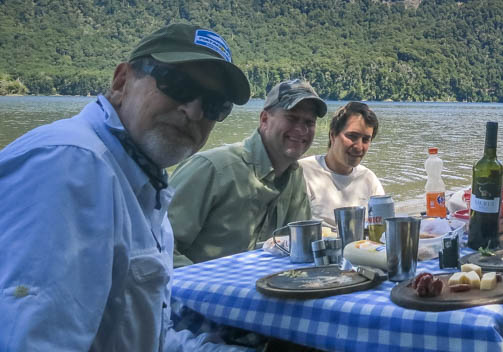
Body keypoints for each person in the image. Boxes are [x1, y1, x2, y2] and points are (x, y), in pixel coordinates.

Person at [0, 24, 253, 351]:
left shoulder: (141, 179)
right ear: (121, 82)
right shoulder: (71, 167)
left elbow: (145, 336)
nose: (193, 110)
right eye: (176, 84)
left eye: (215, 104)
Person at [168, 78, 327, 267]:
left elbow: (297, 248)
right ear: (264, 119)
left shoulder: (295, 175)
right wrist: (208, 288)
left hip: (265, 289)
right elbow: (159, 247)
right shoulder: (212, 169)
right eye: (291, 118)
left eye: (309, 122)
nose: (301, 129)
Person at [299, 101, 384, 229]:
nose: (359, 147)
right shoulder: (303, 172)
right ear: (333, 135)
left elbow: (382, 226)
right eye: (352, 136)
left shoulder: (369, 179)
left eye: (366, 139)